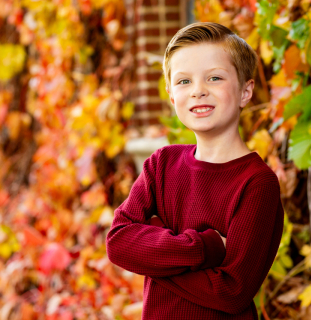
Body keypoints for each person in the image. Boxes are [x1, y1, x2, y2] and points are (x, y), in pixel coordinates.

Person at [106, 21, 284, 320]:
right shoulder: (161, 165)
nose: (198, 91)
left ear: (245, 90)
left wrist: (154, 254)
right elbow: (118, 243)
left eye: (214, 78)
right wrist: (205, 247)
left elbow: (231, 291)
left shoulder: (257, 183)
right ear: (171, 95)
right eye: (184, 81)